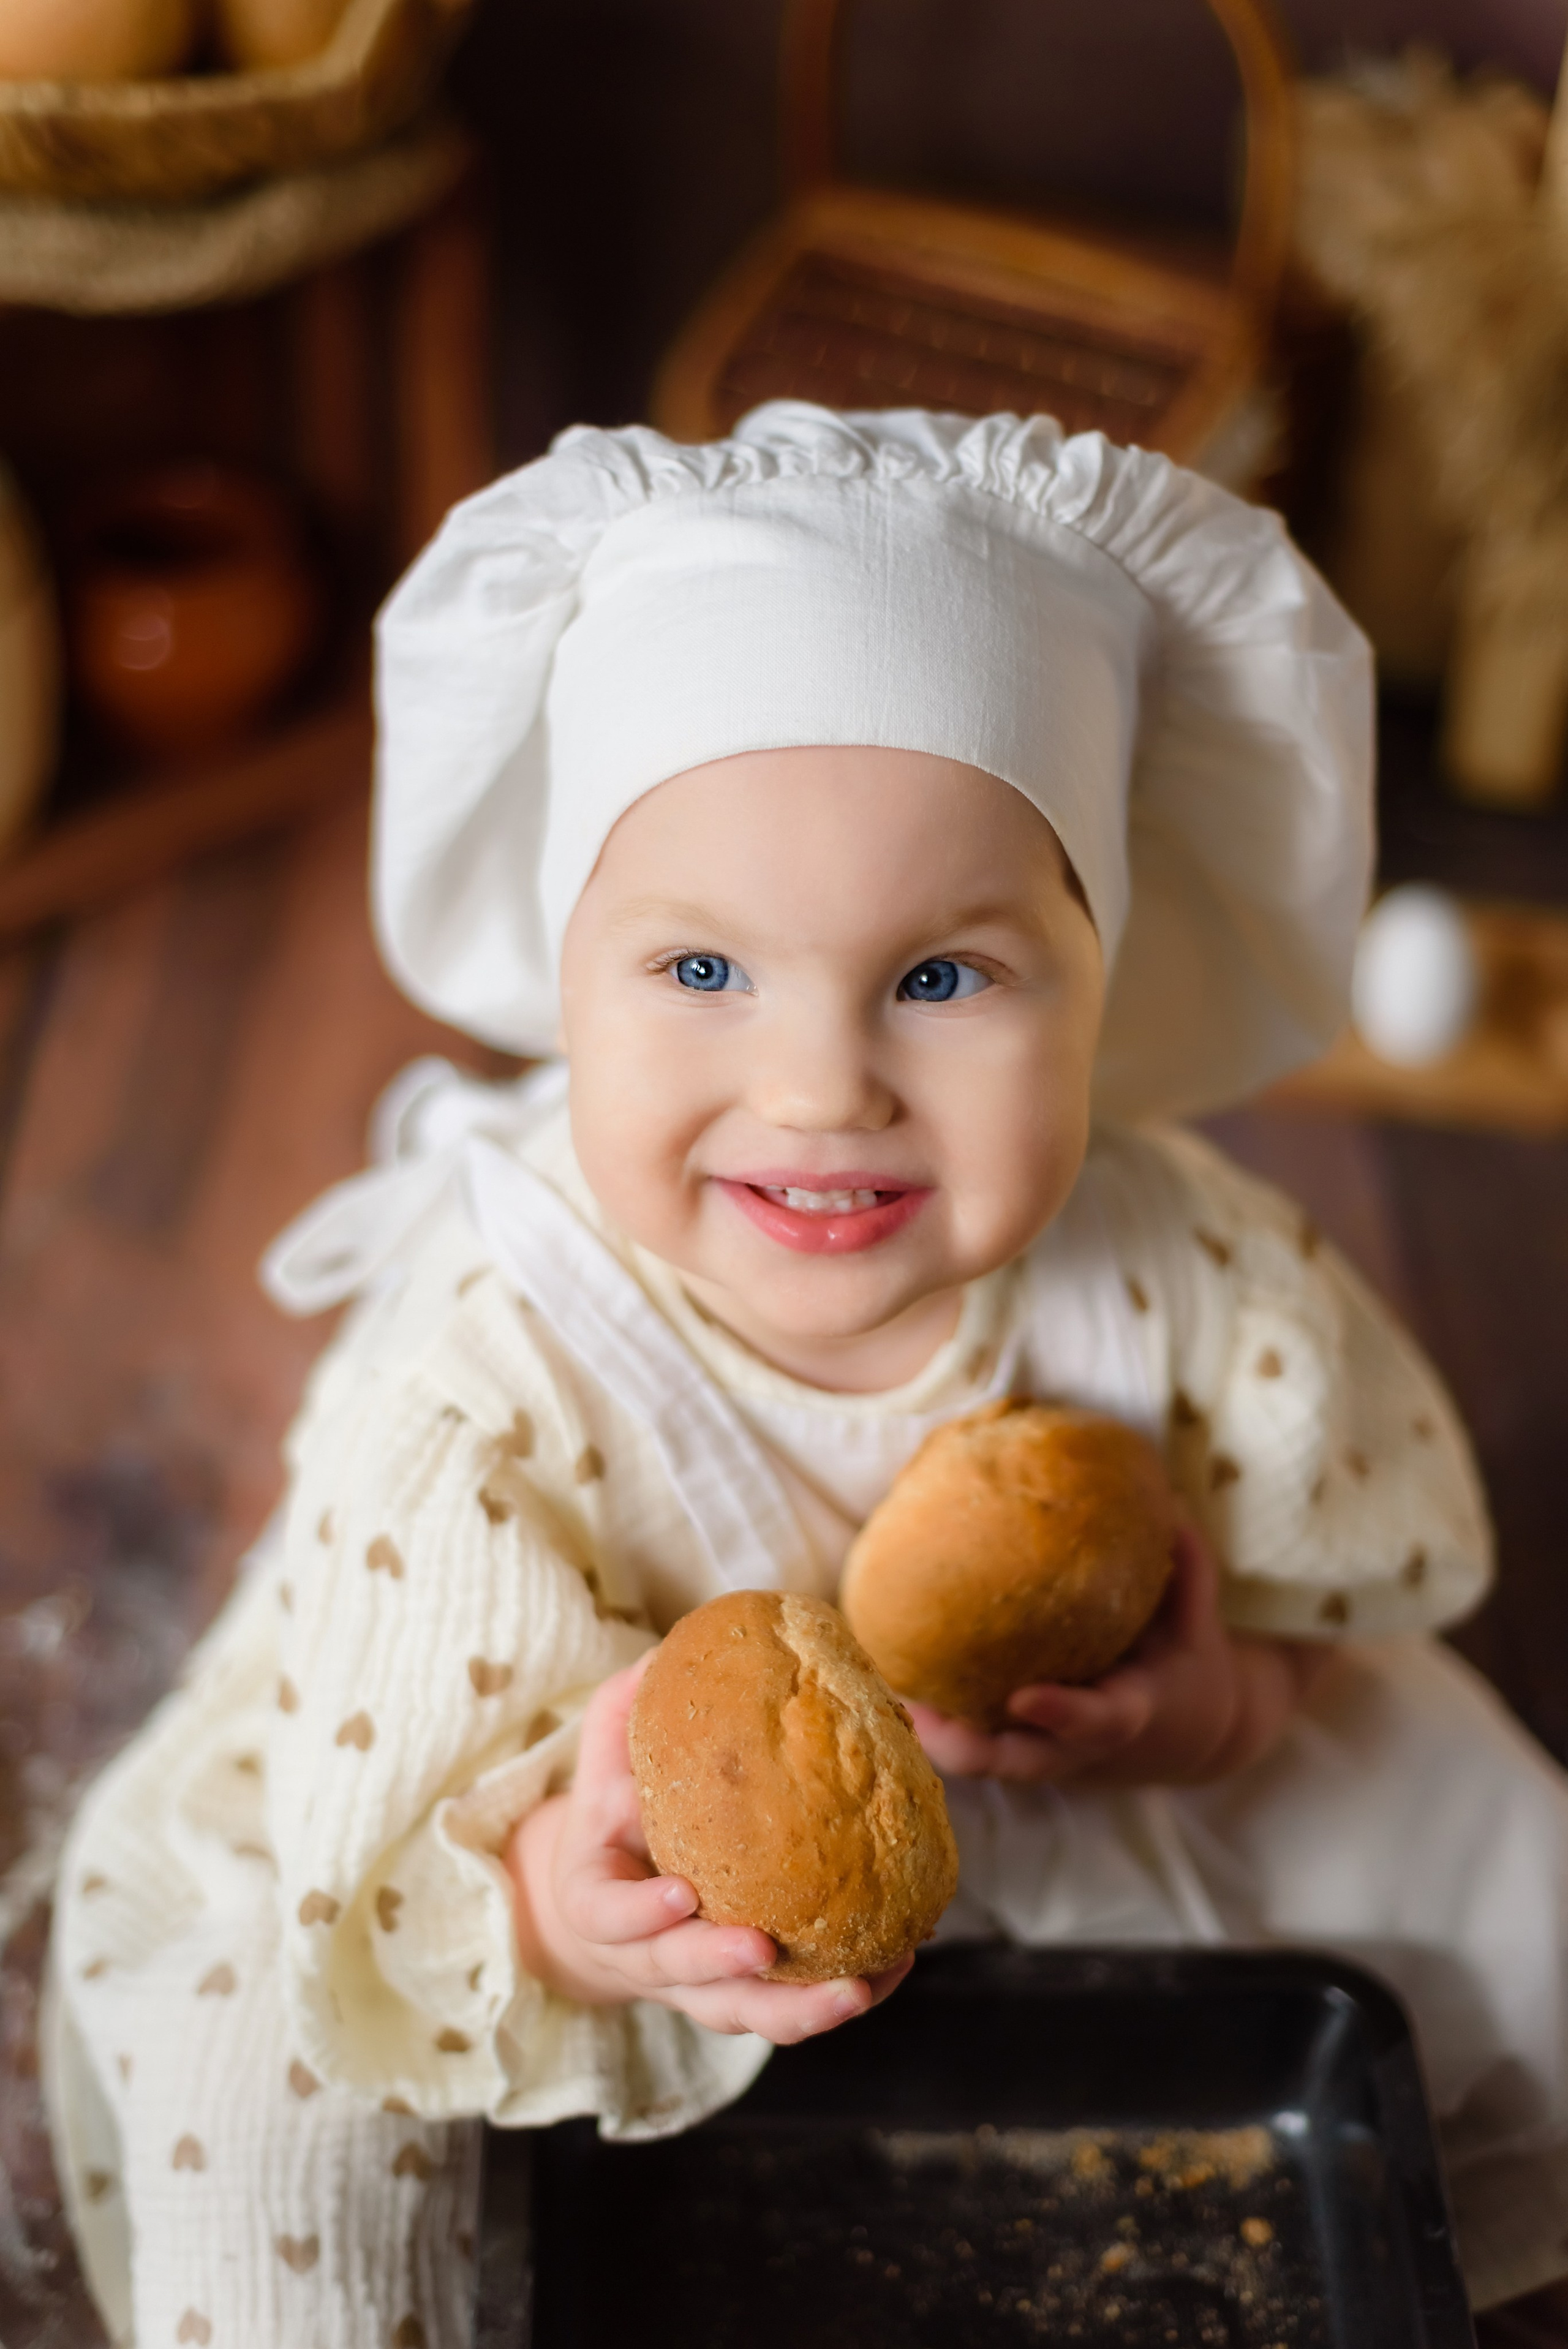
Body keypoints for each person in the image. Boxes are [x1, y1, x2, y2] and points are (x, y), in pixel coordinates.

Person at [42, 404, 1568, 2347]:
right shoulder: (493, 1354)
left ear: (1106, 980)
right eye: (700, 973)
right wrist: (543, 1902)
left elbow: (1304, 1586)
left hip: (1054, 1801)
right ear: (564, 960)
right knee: (270, 2066)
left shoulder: (1175, 1261)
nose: (822, 1085)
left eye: (944, 977)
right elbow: (417, 1768)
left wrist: (1223, 1698)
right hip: (509, 1792)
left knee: (1492, 1870)